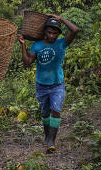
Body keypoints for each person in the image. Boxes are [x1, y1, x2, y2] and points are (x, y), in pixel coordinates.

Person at [18, 14, 79, 153]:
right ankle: (47, 136)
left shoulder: (61, 43)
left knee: (56, 110)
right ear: (44, 31)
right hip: (41, 85)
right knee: (45, 113)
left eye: (55, 33)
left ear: (58, 34)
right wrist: (23, 45)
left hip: (57, 84)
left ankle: (51, 141)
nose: (51, 35)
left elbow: (75, 30)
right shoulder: (37, 45)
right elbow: (27, 63)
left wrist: (61, 19)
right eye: (49, 32)